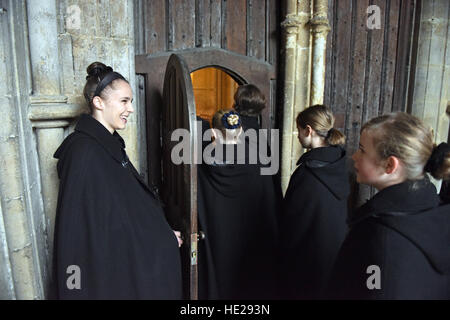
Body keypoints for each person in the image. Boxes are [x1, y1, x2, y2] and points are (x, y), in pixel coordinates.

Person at [53, 62, 183, 299]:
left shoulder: (109, 144)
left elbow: (127, 208)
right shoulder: (84, 152)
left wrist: (162, 233)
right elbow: (86, 231)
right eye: (124, 101)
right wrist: (160, 238)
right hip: (110, 272)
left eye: (131, 101)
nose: (130, 109)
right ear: (98, 102)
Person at [328, 112, 450, 299]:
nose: (354, 156)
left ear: (389, 165)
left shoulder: (379, 238)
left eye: (362, 150)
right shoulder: (433, 210)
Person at [197, 109, 279, 299]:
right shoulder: (260, 161)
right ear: (241, 132)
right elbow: (269, 205)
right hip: (253, 244)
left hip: (217, 241)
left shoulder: (200, 164)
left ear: (214, 133)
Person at [279, 105, 350, 299]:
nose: (297, 135)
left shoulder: (307, 172)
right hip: (335, 255)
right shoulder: (342, 163)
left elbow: (291, 222)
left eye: (298, 130)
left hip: (306, 260)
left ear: (308, 130)